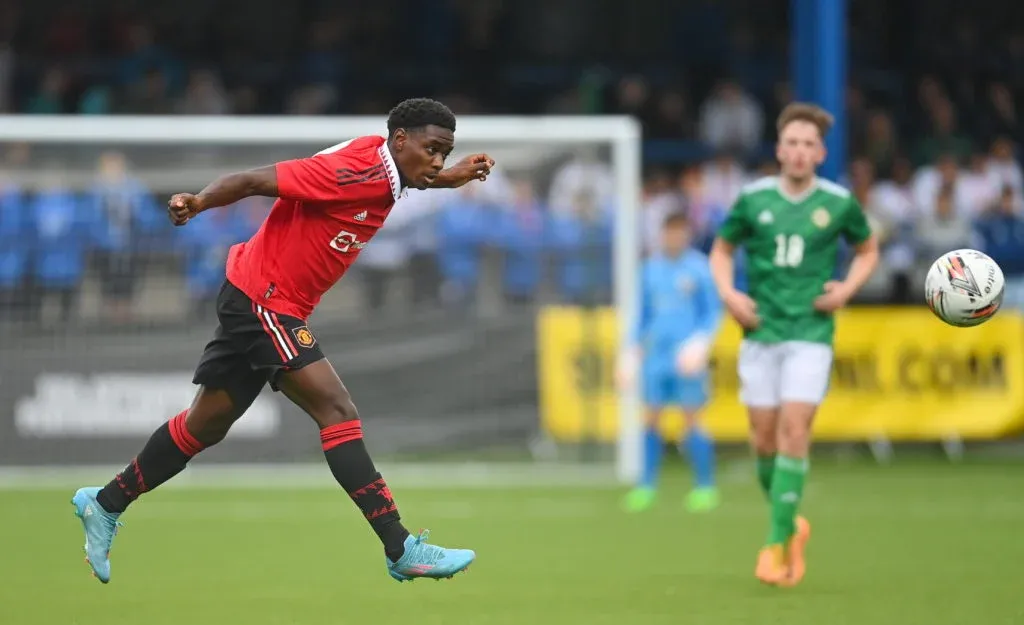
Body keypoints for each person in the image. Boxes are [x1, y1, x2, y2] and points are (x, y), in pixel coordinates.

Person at [70, 98, 494, 585]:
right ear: (400, 140)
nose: (438, 161)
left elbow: (410, 176)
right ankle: (401, 548)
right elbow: (254, 180)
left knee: (204, 426)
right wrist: (200, 201)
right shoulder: (354, 171)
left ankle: (103, 503)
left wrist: (450, 177)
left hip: (255, 291)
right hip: (266, 302)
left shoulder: (388, 167)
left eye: (446, 152)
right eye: (432, 150)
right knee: (337, 411)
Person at [708, 103, 879, 587]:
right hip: (760, 331)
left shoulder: (839, 202)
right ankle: (792, 525)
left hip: (810, 333)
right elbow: (721, 249)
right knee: (764, 442)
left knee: (794, 431)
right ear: (780, 149)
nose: (800, 152)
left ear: (820, 153)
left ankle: (774, 546)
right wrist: (728, 293)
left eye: (809, 144)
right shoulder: (752, 199)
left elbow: (868, 250)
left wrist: (846, 289)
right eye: (793, 143)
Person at [618, 212, 722, 513]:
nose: (673, 238)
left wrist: (700, 344)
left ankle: (705, 487)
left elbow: (711, 312)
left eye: (679, 232)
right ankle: (646, 486)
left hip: (687, 356)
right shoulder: (650, 269)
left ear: (687, 234)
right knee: (651, 418)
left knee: (693, 418)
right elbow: (641, 317)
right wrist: (630, 353)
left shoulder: (699, 268)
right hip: (655, 356)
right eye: (669, 232)